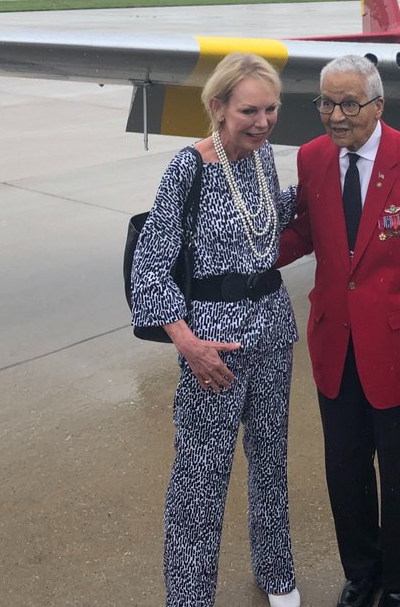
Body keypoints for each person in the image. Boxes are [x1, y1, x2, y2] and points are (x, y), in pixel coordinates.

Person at [278, 55, 400, 607]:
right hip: (336, 346)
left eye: (349, 104)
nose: (336, 116)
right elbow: (308, 234)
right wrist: (247, 257)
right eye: (326, 103)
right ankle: (361, 572)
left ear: (378, 105)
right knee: (346, 470)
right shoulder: (313, 159)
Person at [130, 52, 301, 607]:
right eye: (249, 110)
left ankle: (276, 571)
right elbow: (150, 268)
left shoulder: (264, 157)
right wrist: (188, 344)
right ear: (217, 107)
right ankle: (189, 596)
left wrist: (330, 180)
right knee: (200, 481)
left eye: (271, 109)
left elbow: (266, 219)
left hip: (272, 330)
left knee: (271, 461)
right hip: (214, 348)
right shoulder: (191, 167)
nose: (263, 121)